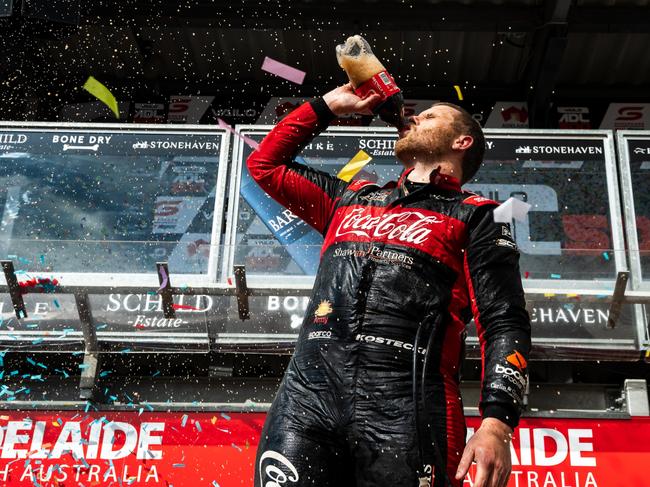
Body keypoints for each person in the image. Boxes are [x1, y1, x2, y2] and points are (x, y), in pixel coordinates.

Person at [249, 83, 531, 487]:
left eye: (430, 116)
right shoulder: (350, 199)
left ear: (461, 141)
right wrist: (328, 106)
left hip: (408, 406)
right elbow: (265, 165)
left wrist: (497, 424)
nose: (414, 117)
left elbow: (504, 321)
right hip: (306, 397)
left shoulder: (481, 217)